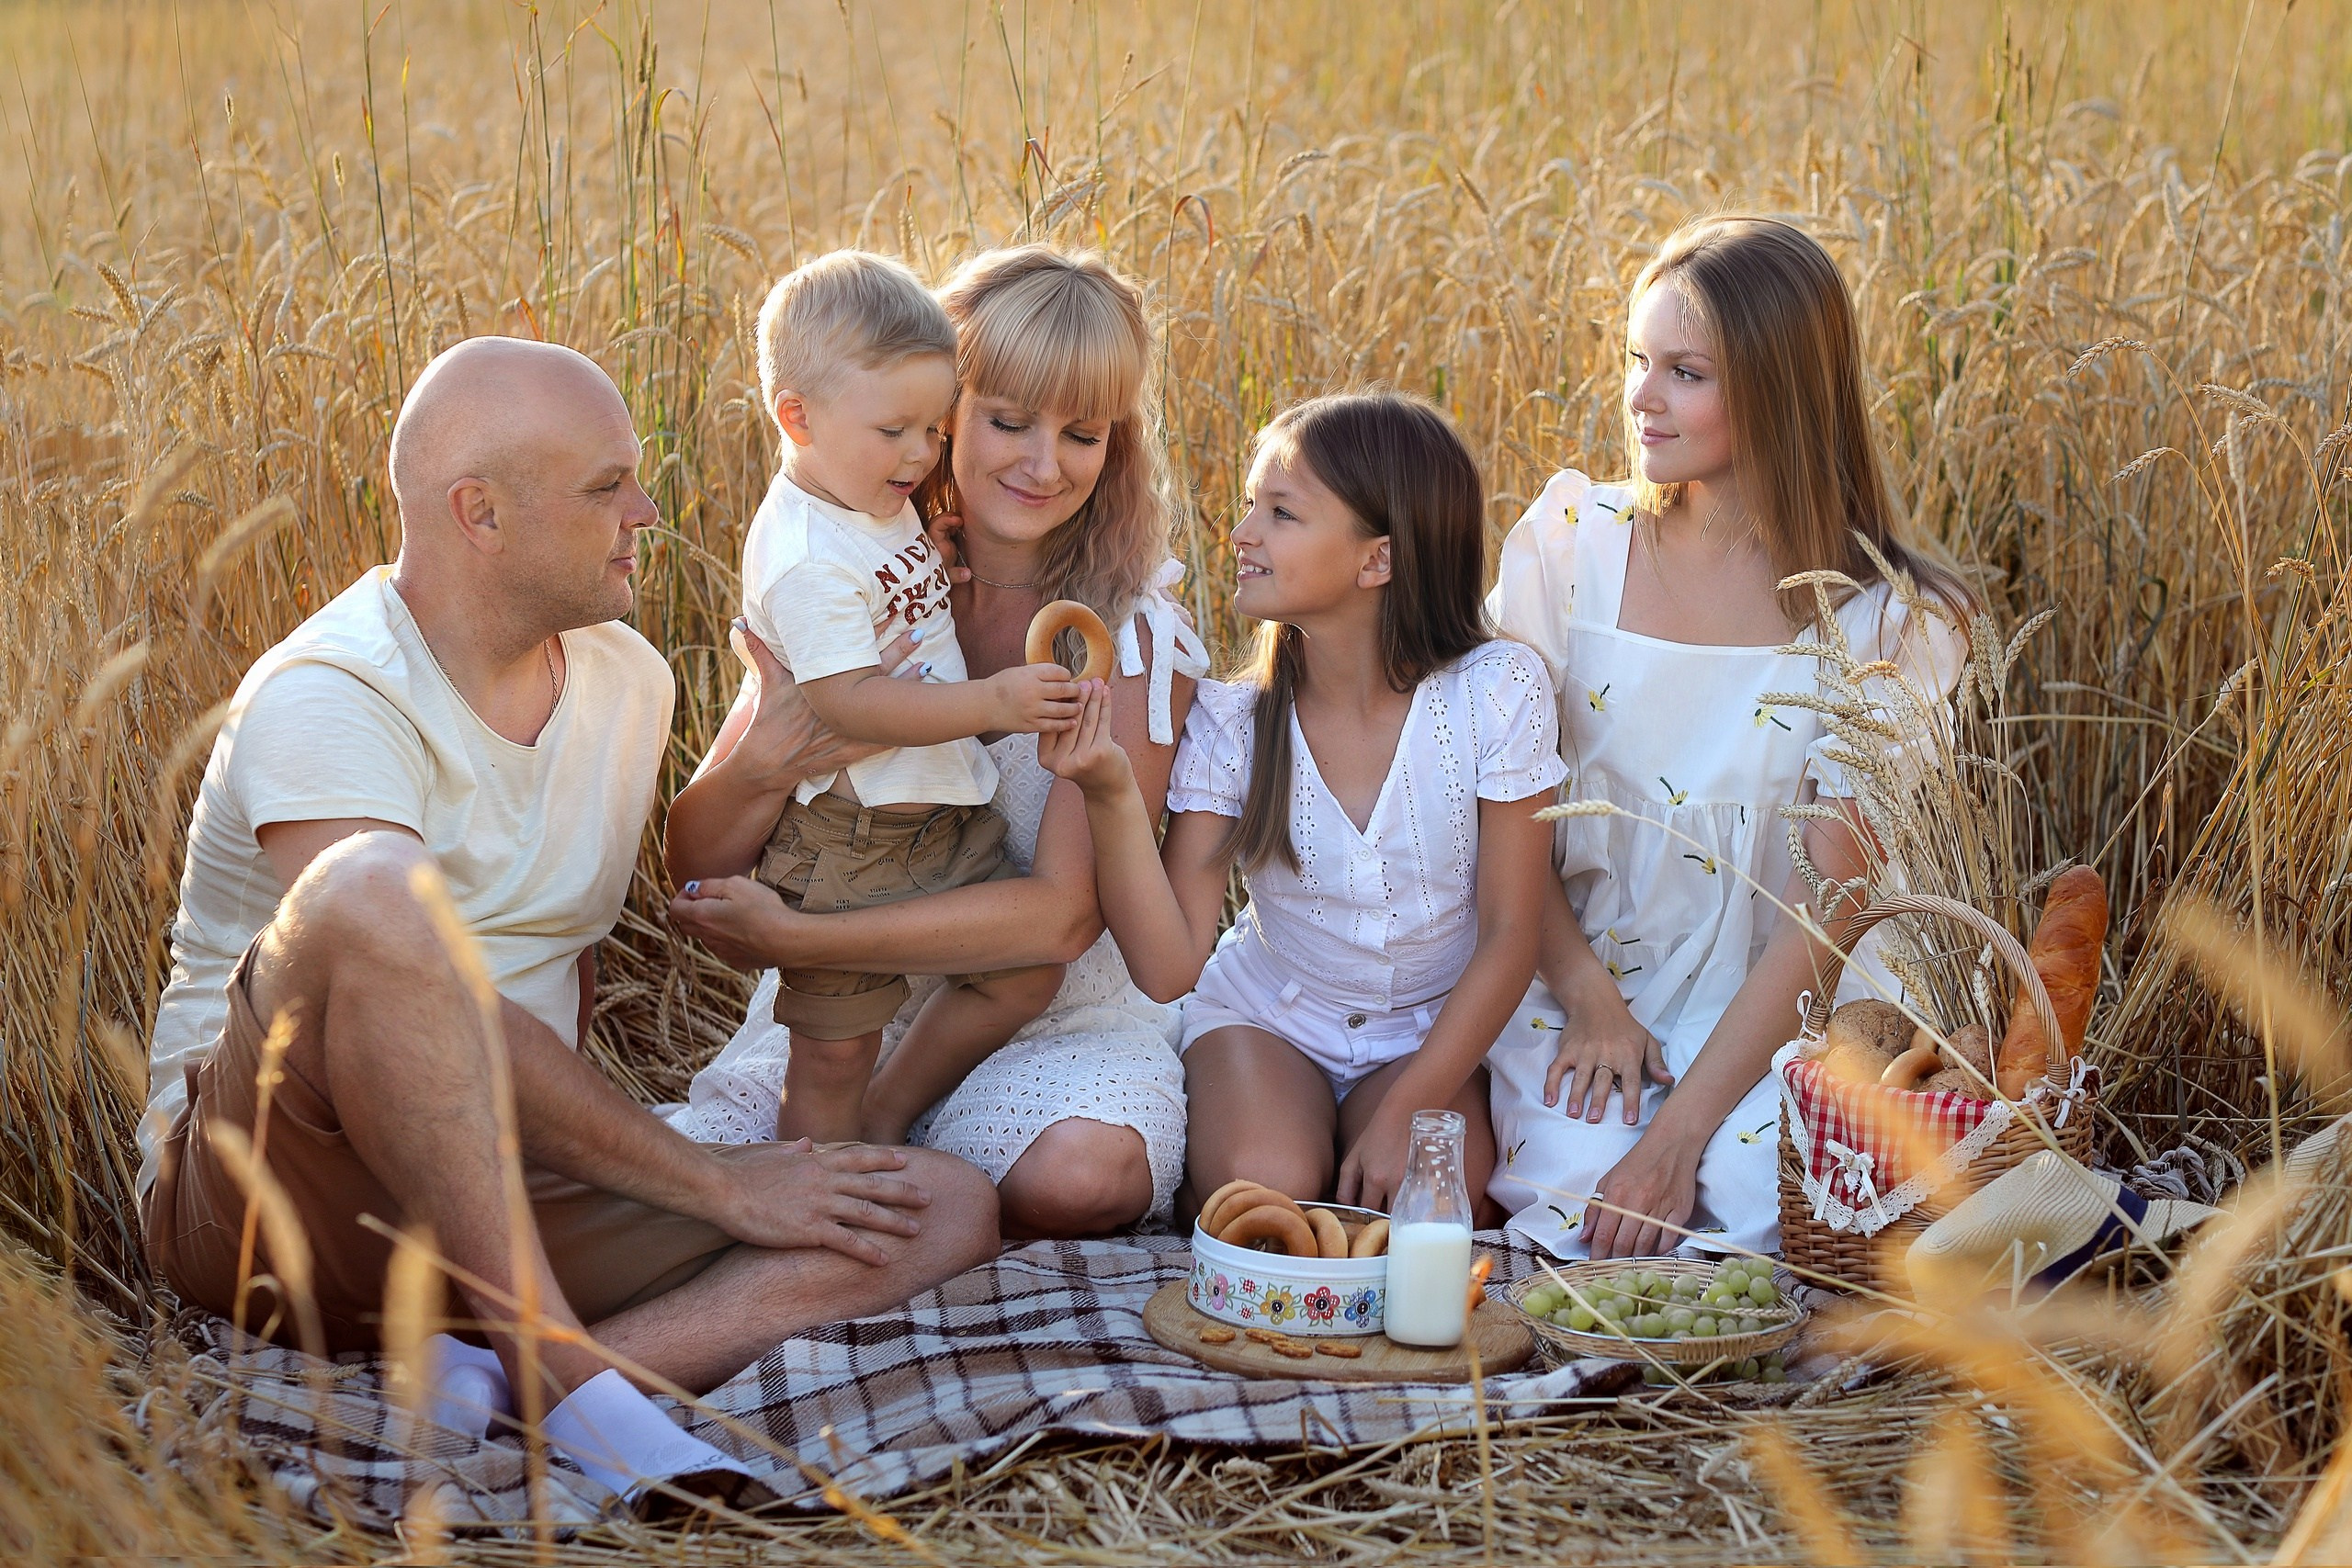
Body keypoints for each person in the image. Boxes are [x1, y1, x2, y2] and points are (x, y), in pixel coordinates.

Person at [138, 337, 1000, 1508]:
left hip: (493, 1188)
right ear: (479, 513)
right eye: (606, 487)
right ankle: (569, 1379)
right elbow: (409, 986)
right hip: (267, 1201)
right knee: (370, 891)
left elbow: (563, 954)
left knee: (935, 1207)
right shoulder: (329, 693)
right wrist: (710, 1182)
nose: (646, 512)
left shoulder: (625, 682)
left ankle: (503, 1381)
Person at [665, 245, 1208, 1235]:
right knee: (696, 1186)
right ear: (938, 411)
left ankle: (888, 1146)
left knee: (1082, 1175)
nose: (1043, 464)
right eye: (1007, 421)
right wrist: (777, 752)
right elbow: (696, 860)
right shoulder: (859, 581)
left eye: (1082, 434)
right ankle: (874, 1178)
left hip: (1053, 1019)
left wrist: (800, 938)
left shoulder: (1128, 636)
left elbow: (1057, 925)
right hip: (859, 1005)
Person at [1485, 215, 1969, 1261]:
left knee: (1751, 1204)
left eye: (1686, 373)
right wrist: (1589, 1001)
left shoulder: (1887, 623)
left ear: (1780, 391)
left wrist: (1678, 1137)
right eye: (1636, 360)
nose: (1641, 397)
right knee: (1576, 1194)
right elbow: (1508, 823)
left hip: (1787, 1005)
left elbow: (1825, 913)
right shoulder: (1570, 549)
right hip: (1585, 974)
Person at [1040, 392, 1563, 1213]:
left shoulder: (1495, 692)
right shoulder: (1235, 723)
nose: (1240, 533)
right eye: (1251, 505)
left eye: (1280, 513)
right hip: (1268, 1018)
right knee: (1267, 1188)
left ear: (1377, 559)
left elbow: (1510, 935)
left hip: (1429, 1030)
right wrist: (1107, 789)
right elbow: (1169, 966)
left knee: (1431, 1198)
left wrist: (1401, 1112)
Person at [735, 251, 1070, 1145]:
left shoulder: (866, 496)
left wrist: (933, 564)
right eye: (896, 430)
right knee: (832, 1052)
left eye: (934, 427)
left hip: (931, 818)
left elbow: (886, 596)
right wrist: (994, 704)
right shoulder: (805, 554)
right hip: (852, 837)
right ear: (797, 417)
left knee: (1025, 967)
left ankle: (883, 1122)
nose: (922, 454)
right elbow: (849, 702)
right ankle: (812, 1183)